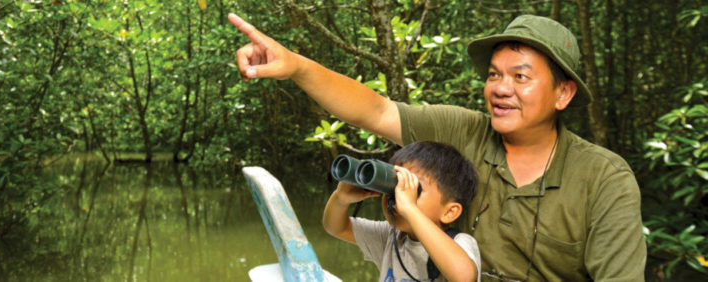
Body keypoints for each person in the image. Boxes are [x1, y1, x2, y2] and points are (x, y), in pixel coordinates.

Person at [229, 12, 646, 281]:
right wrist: (297, 66)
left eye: (521, 77)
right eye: (494, 75)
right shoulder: (463, 130)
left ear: (563, 93)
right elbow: (374, 111)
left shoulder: (603, 178)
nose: (500, 89)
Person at [322, 141, 480, 281]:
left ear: (449, 212)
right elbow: (336, 228)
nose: (398, 193)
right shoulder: (390, 236)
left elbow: (464, 277)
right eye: (395, 183)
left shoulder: (460, 242)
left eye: (414, 188)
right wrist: (341, 198)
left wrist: (410, 209)